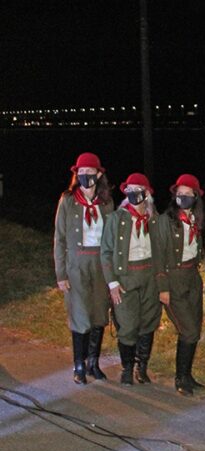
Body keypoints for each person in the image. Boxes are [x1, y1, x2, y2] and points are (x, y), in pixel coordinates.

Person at [54, 152, 114, 385]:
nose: (86, 177)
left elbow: (113, 240)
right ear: (76, 175)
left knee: (99, 314)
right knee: (80, 316)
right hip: (77, 265)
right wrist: (61, 274)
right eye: (81, 173)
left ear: (99, 174)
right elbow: (59, 238)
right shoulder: (68, 200)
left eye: (90, 173)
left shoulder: (107, 202)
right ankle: (78, 365)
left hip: (100, 264)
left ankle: (93, 363)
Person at [100, 172, 163, 386]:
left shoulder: (155, 219)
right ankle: (127, 367)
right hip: (126, 276)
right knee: (127, 325)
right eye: (130, 190)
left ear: (147, 193)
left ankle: (141, 367)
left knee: (148, 322)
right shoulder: (117, 219)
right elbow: (106, 251)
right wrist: (112, 282)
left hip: (150, 275)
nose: (134, 194)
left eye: (138, 190)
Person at [155, 174, 205, 396]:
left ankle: (187, 375)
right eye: (180, 193)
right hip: (173, 278)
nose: (183, 197)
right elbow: (158, 255)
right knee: (189, 329)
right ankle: (179, 378)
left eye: (188, 194)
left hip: (192, 277)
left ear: (195, 197)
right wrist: (162, 286)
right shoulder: (165, 221)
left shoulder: (195, 220)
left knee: (194, 328)